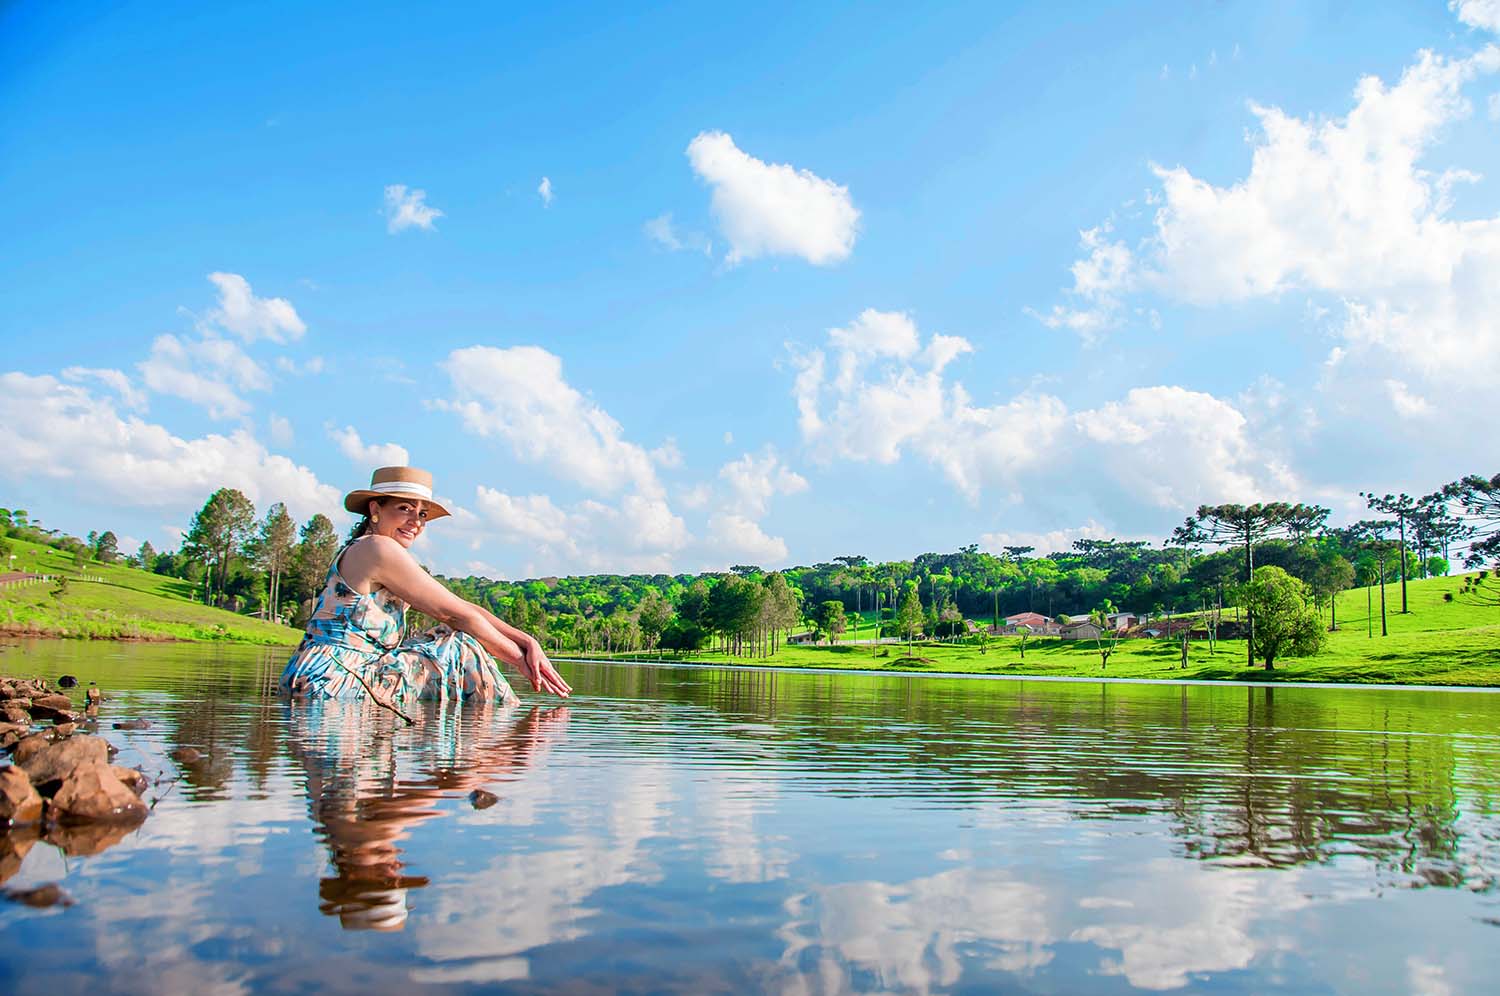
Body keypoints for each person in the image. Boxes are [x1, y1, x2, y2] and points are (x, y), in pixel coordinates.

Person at [279, 466, 571, 707]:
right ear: (374, 509)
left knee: (453, 640)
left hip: (320, 675)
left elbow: (465, 607)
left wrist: (527, 641)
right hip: (336, 678)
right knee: (458, 644)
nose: (415, 522)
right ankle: (515, 741)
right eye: (404, 508)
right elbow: (455, 616)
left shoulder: (369, 548)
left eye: (421, 514)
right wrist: (520, 661)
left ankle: (500, 749)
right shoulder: (378, 548)